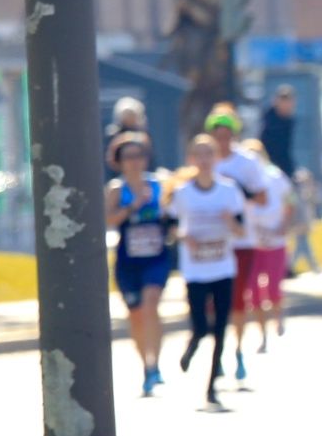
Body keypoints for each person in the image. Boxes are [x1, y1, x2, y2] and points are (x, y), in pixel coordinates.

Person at [165, 135, 248, 409]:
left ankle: (212, 386)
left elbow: (242, 230)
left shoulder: (229, 190)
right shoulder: (183, 193)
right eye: (198, 154)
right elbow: (170, 226)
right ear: (191, 159)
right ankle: (192, 345)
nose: (204, 160)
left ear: (216, 158)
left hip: (223, 267)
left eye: (208, 154)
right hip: (195, 270)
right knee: (200, 325)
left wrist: (229, 223)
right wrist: (183, 236)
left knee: (221, 327)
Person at [205, 107, 268, 384]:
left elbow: (263, 198)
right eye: (217, 135)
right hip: (211, 242)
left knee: (238, 297)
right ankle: (216, 352)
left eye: (226, 135)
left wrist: (241, 191)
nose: (222, 141)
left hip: (242, 240)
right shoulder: (204, 161)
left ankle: (239, 350)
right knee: (212, 301)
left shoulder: (248, 162)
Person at [105, 133, 170, 395]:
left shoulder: (159, 185)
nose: (134, 162)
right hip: (128, 260)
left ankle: (157, 362)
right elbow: (109, 220)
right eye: (128, 157)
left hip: (156, 256)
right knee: (136, 314)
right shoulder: (116, 190)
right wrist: (133, 206)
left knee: (151, 303)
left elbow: (173, 213)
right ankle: (146, 364)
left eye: (139, 156)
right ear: (119, 161)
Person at [242, 138, 294, 350]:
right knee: (254, 292)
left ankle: (278, 316)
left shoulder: (275, 176)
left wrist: (284, 225)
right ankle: (262, 335)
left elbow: (290, 201)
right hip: (252, 243)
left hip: (275, 241)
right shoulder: (241, 181)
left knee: (273, 288)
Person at [260, 85, 298, 177]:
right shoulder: (268, 121)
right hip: (266, 165)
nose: (287, 105)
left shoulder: (289, 121)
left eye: (289, 101)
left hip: (280, 167)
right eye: (284, 100)